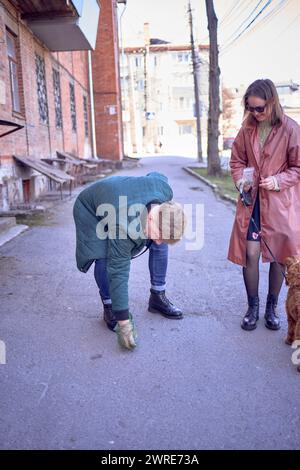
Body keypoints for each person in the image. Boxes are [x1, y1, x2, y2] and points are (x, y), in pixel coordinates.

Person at [73, 172, 187, 350]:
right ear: (150, 217)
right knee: (105, 257)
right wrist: (124, 323)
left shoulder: (164, 193)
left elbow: (157, 176)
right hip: (90, 209)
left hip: (119, 198)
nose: (157, 241)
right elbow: (118, 272)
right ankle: (109, 305)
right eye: (156, 234)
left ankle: (157, 296)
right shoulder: (123, 227)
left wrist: (159, 233)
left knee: (160, 243)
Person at [228, 78, 300, 331]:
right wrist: (240, 181)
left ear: (272, 103)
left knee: (280, 256)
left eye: (260, 108)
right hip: (252, 203)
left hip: (280, 205)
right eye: (251, 108)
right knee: (250, 253)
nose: (255, 113)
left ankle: (272, 307)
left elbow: (298, 168)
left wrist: (278, 180)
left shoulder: (291, 129)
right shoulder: (246, 129)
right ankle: (252, 307)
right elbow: (236, 161)